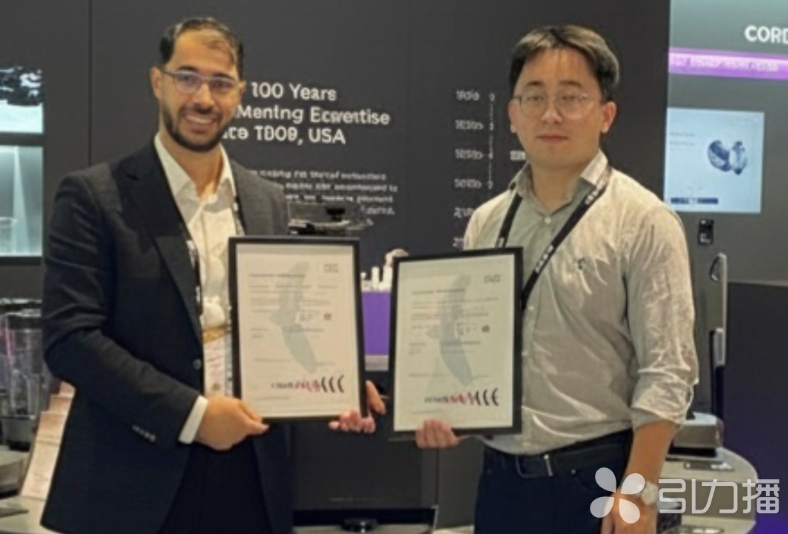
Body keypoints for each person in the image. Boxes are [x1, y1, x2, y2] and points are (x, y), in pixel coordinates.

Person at [41, 17, 382, 534]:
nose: (203, 98)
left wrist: (333, 382)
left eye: (220, 83)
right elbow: (70, 339)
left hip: (250, 476)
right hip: (135, 482)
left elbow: (279, 325)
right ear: (157, 82)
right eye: (187, 77)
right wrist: (194, 416)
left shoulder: (267, 200)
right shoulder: (94, 196)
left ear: (240, 93)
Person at [415, 25, 698, 534]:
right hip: (501, 486)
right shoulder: (487, 222)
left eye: (571, 97)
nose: (550, 114)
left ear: (605, 114)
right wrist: (452, 411)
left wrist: (639, 494)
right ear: (513, 114)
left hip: (596, 481)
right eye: (535, 97)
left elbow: (668, 371)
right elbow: (473, 349)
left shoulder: (643, 221)